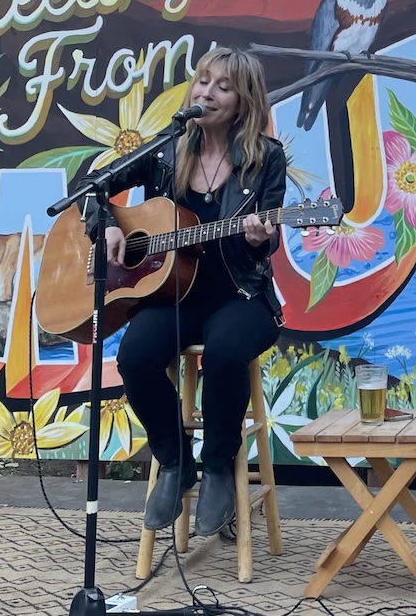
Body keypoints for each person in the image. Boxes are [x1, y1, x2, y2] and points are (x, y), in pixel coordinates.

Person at [73, 46, 287, 536]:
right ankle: (174, 463)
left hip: (240, 295)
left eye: (223, 86)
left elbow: (263, 249)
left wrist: (261, 239)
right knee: (135, 356)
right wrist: (105, 223)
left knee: (228, 352)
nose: (207, 92)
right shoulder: (166, 150)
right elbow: (91, 184)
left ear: (243, 101)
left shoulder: (265, 160)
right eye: (203, 81)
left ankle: (217, 472)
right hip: (173, 293)